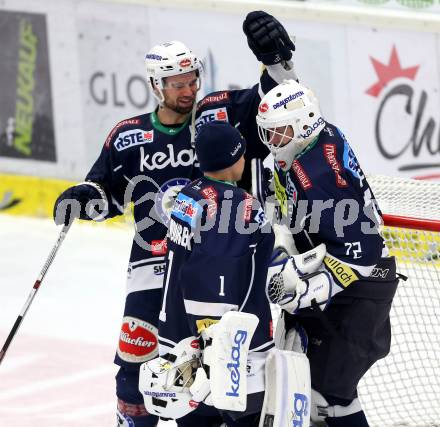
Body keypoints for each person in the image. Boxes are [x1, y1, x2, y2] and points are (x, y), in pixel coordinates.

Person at [52, 11, 297, 427]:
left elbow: (273, 99)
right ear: (156, 85)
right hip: (151, 265)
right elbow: (106, 193)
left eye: (191, 80)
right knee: (136, 369)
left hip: (213, 266)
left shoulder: (220, 115)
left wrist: (278, 62)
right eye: (176, 84)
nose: (187, 91)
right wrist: (83, 198)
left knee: (215, 367)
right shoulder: (128, 136)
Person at [255, 79, 401, 427]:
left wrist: (312, 289)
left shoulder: (319, 177)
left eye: (280, 133)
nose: (273, 142)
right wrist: (284, 249)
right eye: (269, 133)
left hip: (364, 284)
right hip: (352, 276)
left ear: (304, 124)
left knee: (326, 397)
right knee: (323, 394)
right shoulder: (312, 141)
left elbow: (363, 253)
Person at [141, 120, 275, 426]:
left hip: (178, 339)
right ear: (233, 157)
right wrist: (217, 345)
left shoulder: (187, 196)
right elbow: (213, 278)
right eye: (241, 152)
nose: (245, 158)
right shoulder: (238, 206)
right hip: (224, 349)